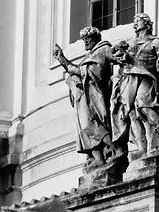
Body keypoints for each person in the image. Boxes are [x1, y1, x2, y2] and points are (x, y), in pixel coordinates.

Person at [53, 25, 123, 180]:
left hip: (96, 96)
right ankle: (99, 159)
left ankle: (115, 149)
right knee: (85, 129)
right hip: (84, 97)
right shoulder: (89, 56)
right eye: (83, 39)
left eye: (87, 38)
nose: (85, 42)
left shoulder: (103, 50)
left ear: (95, 38)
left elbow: (90, 71)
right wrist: (63, 61)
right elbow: (79, 71)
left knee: (94, 126)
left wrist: (63, 61)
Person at [114, 14, 159, 164]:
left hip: (147, 77)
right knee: (132, 113)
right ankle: (142, 148)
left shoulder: (156, 42)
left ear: (147, 24)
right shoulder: (129, 44)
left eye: (138, 21)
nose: (135, 24)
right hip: (129, 79)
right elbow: (115, 58)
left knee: (145, 105)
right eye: (134, 22)